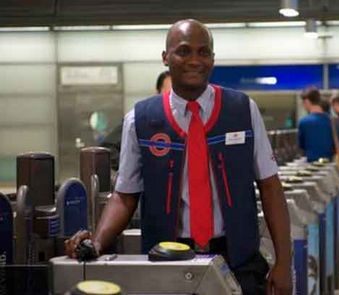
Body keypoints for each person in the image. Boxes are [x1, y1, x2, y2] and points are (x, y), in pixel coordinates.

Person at [66, 19, 292, 295]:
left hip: (238, 261)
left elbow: (270, 187)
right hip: (166, 264)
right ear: (165, 58)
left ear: (212, 58)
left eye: (203, 52)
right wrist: (98, 243)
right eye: (184, 51)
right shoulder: (141, 119)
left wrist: (284, 262)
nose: (195, 60)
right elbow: (124, 195)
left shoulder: (243, 110)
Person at [100, 71, 172, 171]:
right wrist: (134, 168)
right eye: (170, 94)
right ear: (157, 94)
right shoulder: (141, 119)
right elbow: (108, 148)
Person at [298, 88, 334, 162]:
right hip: (329, 163)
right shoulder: (331, 120)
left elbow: (302, 145)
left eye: (303, 103)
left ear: (307, 102)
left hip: (312, 162)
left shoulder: (304, 122)